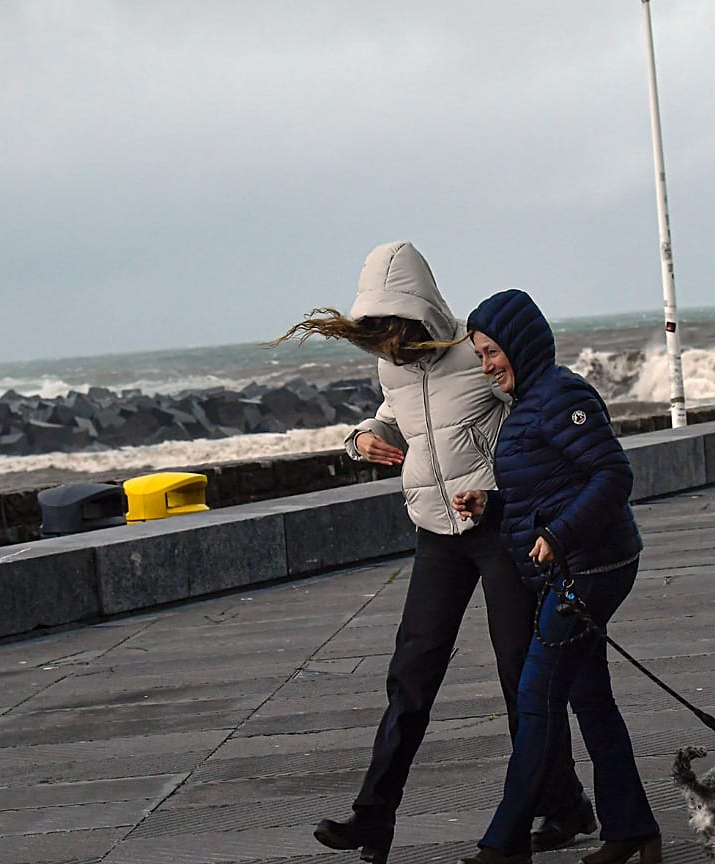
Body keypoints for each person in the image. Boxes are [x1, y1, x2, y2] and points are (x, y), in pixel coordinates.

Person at [273, 243, 594, 861]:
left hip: (497, 531)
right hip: (434, 536)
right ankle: (373, 818)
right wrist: (362, 438)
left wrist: (523, 499)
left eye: (393, 325)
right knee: (410, 679)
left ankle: (560, 805)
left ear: (418, 307)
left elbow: (532, 419)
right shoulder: (391, 365)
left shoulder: (473, 354)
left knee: (517, 677)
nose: (386, 341)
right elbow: (394, 418)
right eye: (376, 330)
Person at [451, 289, 660, 864]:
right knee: (590, 699)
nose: (488, 366)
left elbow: (613, 473)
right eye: (481, 357)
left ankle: (505, 842)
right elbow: (545, 492)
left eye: (492, 352)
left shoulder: (561, 394)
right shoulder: (532, 403)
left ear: (519, 343)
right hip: (573, 567)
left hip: (591, 568)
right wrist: (490, 508)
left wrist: (560, 536)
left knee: (537, 698)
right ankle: (632, 829)